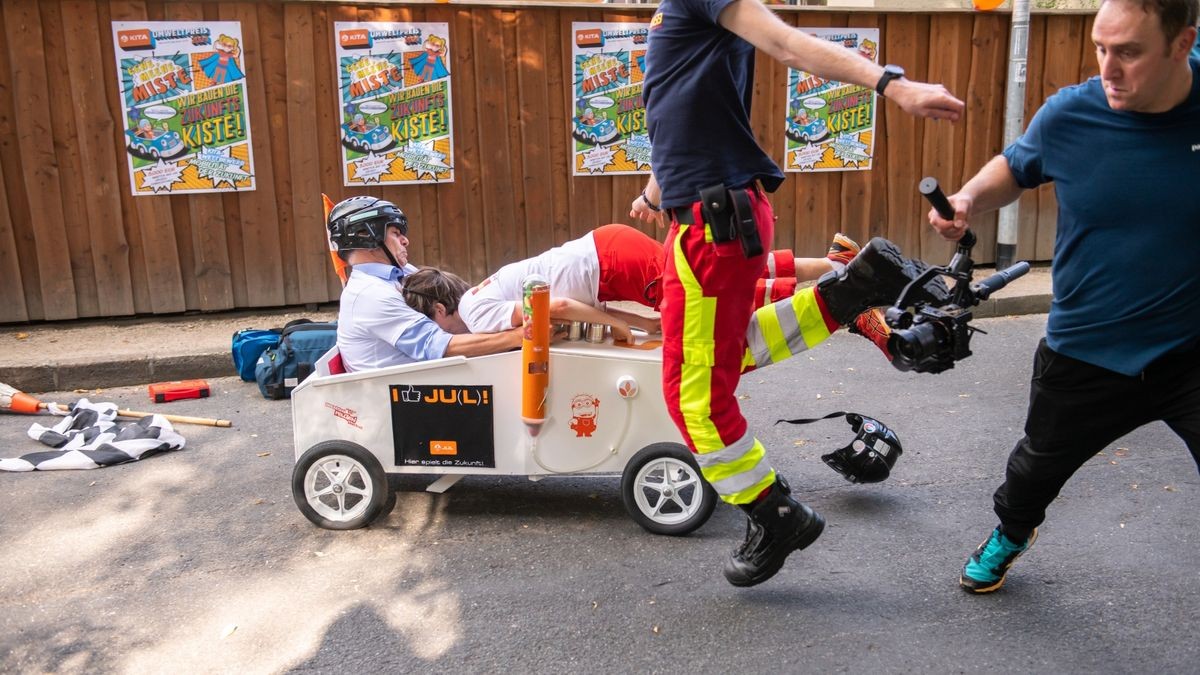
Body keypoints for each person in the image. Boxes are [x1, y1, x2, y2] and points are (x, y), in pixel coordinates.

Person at [628, 0, 964, 587]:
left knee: (694, 401)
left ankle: (773, 514)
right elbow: (685, 102)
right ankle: (856, 288)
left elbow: (784, 44)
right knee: (719, 361)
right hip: (715, 214)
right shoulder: (675, 14)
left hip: (713, 225)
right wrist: (658, 189)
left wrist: (891, 84)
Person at [928, 0, 1199, 594]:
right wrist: (971, 198)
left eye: (1128, 52)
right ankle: (1012, 531)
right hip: (1087, 347)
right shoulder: (1072, 114)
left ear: (1183, 44)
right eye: (1101, 48)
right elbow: (1017, 165)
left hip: (1189, 348)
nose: (1108, 68)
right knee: (1034, 470)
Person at [327, 196, 523, 372]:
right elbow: (438, 346)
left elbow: (456, 300)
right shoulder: (369, 295)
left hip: (425, 379)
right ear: (365, 235)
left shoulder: (398, 274)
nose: (405, 241)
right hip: (405, 393)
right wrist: (519, 335)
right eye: (396, 233)